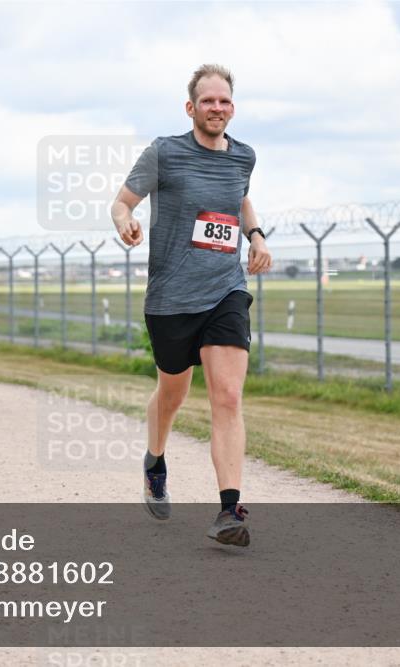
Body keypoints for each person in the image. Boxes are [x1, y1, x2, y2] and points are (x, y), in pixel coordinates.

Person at [111, 64, 272, 547]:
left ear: (232, 107)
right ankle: (155, 460)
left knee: (227, 396)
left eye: (224, 101)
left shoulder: (244, 156)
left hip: (226, 289)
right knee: (173, 394)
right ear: (191, 107)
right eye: (208, 101)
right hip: (171, 296)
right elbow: (122, 202)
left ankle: (229, 510)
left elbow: (239, 198)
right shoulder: (164, 152)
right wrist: (124, 221)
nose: (217, 108)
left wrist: (256, 234)